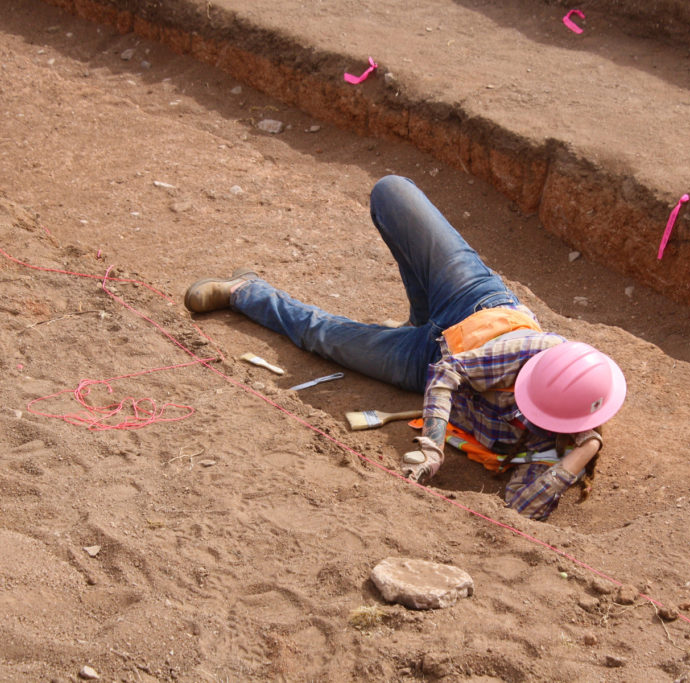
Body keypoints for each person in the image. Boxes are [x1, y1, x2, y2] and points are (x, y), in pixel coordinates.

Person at [184, 175, 626, 521]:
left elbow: (518, 508)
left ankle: (245, 291)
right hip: (473, 301)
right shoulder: (537, 351)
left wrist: (581, 455)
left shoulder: (555, 450)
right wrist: (433, 447)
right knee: (391, 192)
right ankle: (419, 318)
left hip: (421, 359)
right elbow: (449, 373)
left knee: (322, 337)